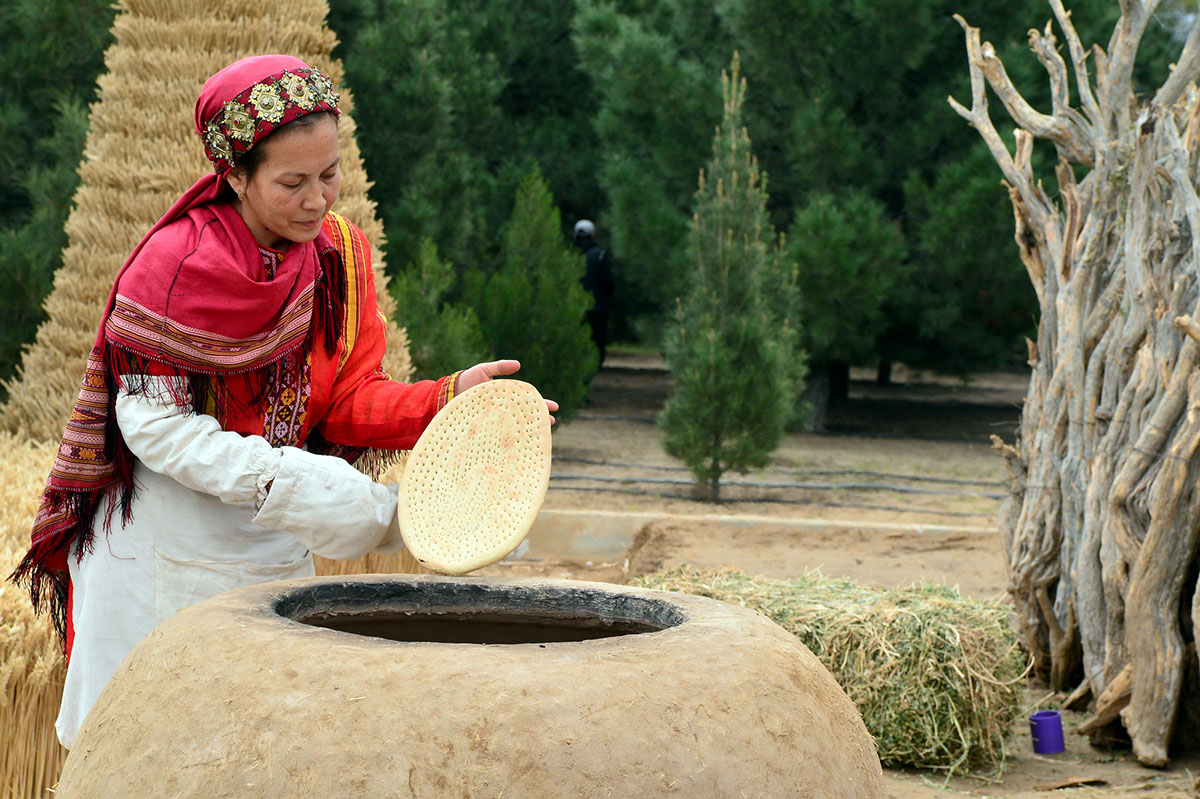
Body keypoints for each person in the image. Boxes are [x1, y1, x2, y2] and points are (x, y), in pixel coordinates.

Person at [9, 55, 556, 749]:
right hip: (161, 553)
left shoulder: (340, 258)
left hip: (275, 545)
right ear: (235, 175)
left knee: (257, 753)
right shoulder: (175, 268)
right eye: (292, 182)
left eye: (330, 175)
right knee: (145, 752)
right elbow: (155, 429)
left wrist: (449, 400)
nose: (317, 200)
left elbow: (349, 399)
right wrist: (296, 485)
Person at [572, 219, 614, 363]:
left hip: (574, 310)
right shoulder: (600, 255)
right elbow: (609, 283)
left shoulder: (569, 256)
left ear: (575, 236)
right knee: (597, 341)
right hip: (598, 309)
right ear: (593, 236)